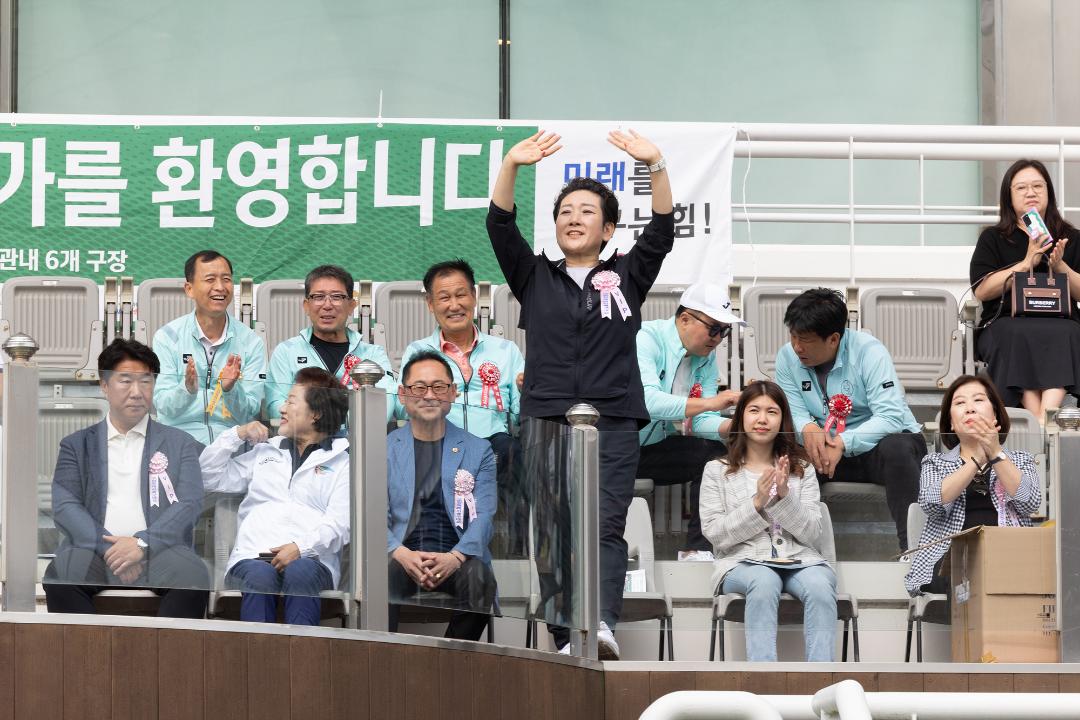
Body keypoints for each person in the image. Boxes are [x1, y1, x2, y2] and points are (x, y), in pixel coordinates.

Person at [487, 128, 675, 659]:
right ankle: (567, 636)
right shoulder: (533, 276)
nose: (574, 218)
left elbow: (662, 231)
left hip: (612, 420)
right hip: (547, 418)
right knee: (552, 530)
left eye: (587, 211)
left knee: (606, 526)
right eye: (566, 211)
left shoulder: (628, 274)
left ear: (608, 229)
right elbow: (499, 225)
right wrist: (511, 165)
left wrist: (656, 164)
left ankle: (602, 625)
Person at [44, 339, 209, 618]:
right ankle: (89, 649)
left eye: (146, 381)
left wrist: (142, 545)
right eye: (125, 381)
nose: (137, 392)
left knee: (193, 575)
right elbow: (65, 506)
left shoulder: (180, 443)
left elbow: (190, 504)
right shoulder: (77, 445)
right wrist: (114, 550)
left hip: (159, 552)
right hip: (94, 553)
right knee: (61, 575)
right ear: (104, 385)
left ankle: (164, 648)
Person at [774, 287, 925, 550]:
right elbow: (793, 412)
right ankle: (796, 550)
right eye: (793, 336)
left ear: (834, 339)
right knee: (790, 457)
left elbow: (891, 416)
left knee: (898, 449)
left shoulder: (870, 351)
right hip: (826, 450)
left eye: (805, 340)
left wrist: (843, 442)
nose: (796, 347)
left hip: (878, 447)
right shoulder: (787, 357)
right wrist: (807, 428)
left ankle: (913, 550)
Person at [199, 367, 350, 626]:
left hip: (312, 561)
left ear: (316, 413)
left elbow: (340, 525)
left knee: (301, 570)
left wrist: (300, 548)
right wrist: (237, 434)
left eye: (291, 401)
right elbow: (207, 477)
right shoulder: (265, 452)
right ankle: (258, 652)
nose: (281, 408)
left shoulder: (342, 462)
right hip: (253, 557)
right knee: (261, 575)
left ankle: (301, 650)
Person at [701, 381, 836, 662]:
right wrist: (757, 502)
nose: (762, 419)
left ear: (782, 420)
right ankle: (763, 678)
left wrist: (785, 496)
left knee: (821, 585)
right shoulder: (716, 471)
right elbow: (716, 534)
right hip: (740, 563)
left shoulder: (803, 470)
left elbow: (813, 533)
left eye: (771, 412)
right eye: (754, 410)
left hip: (800, 560)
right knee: (764, 579)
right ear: (741, 417)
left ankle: (822, 679)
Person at [400, 259, 526, 555]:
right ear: (430, 304)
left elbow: (520, 414)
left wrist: (527, 390)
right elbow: (409, 406)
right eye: (444, 297)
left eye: (461, 295)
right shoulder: (418, 351)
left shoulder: (506, 350)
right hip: (439, 440)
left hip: (493, 443)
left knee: (515, 453)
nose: (454, 305)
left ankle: (518, 552)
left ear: (474, 297)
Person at [388, 351, 497, 640]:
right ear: (402, 394)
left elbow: (485, 515)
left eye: (438, 387)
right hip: (401, 555)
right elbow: (371, 515)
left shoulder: (478, 449)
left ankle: (453, 660)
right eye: (419, 387)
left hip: (457, 555)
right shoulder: (383, 448)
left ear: (453, 392)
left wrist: (456, 557)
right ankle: (383, 662)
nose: (429, 395)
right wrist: (401, 553)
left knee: (480, 578)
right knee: (378, 576)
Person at [904, 375, 1040, 596]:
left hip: (1009, 557)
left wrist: (995, 453)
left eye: (978, 400)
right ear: (951, 423)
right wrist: (976, 460)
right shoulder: (935, 462)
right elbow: (931, 504)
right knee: (963, 575)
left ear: (995, 414)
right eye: (959, 403)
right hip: (949, 561)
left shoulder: (1020, 460)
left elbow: (1030, 502)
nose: (969, 408)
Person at [970, 158, 1080, 419]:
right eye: (1021, 187)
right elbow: (981, 290)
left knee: (1066, 332)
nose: (1031, 192)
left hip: (1062, 322)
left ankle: (1038, 420)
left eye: (1037, 186)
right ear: (1008, 197)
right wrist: (1025, 263)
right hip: (1005, 323)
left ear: (1048, 192)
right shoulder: (993, 238)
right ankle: (1044, 420)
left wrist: (1060, 266)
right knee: (1016, 333)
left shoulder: (1071, 237)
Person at [637, 282, 742, 552]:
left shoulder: (705, 358)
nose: (718, 338)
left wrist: (737, 427)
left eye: (724, 331)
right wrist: (710, 402)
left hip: (653, 447)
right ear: (685, 319)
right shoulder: (646, 338)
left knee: (715, 455)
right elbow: (647, 402)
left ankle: (699, 551)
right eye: (714, 328)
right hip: (615, 448)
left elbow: (701, 421)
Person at [153, 250, 266, 444]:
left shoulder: (251, 342)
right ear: (189, 289)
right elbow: (163, 405)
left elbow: (250, 410)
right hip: (179, 441)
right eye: (210, 279)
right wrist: (186, 390)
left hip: (232, 442)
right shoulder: (167, 338)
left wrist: (231, 390)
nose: (220, 287)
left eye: (226, 279)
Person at [267, 264, 395, 420]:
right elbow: (276, 406)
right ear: (306, 306)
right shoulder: (286, 352)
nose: (327, 305)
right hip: (303, 435)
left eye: (336, 297)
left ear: (351, 306)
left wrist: (318, 416)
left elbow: (384, 405)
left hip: (359, 434)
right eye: (318, 297)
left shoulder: (373, 354)